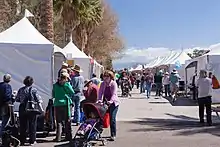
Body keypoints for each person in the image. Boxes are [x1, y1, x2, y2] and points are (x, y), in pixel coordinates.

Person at [16, 76, 44, 145]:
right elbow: (38, 100)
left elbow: (17, 99)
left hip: (22, 108)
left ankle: (22, 140)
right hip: (32, 108)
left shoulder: (21, 89)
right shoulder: (34, 90)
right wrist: (41, 110)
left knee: (23, 125)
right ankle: (32, 140)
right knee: (32, 124)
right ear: (32, 82)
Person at [52, 73, 75, 142]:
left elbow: (53, 95)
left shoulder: (55, 85)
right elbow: (72, 92)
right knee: (67, 120)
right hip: (66, 103)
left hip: (57, 103)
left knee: (58, 121)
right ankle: (68, 136)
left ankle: (58, 137)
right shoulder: (66, 84)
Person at [98, 70, 120, 141]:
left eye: (107, 76)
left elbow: (114, 94)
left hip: (113, 103)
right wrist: (99, 100)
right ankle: (98, 132)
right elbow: (100, 93)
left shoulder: (113, 84)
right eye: (104, 76)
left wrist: (111, 101)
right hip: (105, 102)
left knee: (112, 118)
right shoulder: (102, 84)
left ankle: (113, 134)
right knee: (100, 117)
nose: (105, 78)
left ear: (111, 77)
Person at [0, 74, 12, 141]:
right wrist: (12, 98)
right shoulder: (7, 86)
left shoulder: (0, 85)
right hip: (5, 105)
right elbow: (7, 96)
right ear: (9, 79)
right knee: (5, 121)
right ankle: (2, 136)